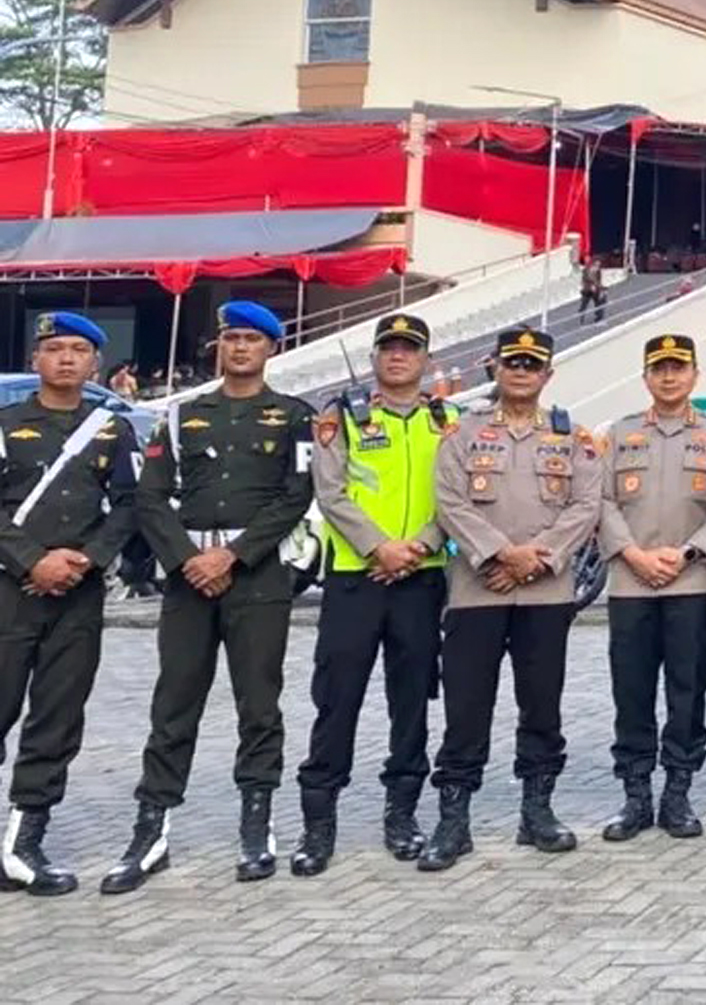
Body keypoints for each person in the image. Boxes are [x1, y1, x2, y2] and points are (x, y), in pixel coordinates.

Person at [102, 301, 315, 895]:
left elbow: (295, 494)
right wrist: (187, 560)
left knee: (259, 705)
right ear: (219, 346)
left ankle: (257, 825)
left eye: (252, 338)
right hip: (188, 576)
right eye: (231, 337)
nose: (240, 347)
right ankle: (151, 830)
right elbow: (150, 497)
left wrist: (234, 556)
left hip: (257, 577)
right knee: (173, 705)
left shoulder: (292, 416)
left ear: (271, 348)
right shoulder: (180, 416)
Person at [417, 326, 605, 872]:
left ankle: (537, 812)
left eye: (532, 364)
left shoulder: (573, 437)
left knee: (542, 705)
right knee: (466, 708)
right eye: (512, 363)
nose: (521, 372)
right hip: (477, 591)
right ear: (494, 368)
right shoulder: (462, 432)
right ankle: (454, 822)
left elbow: (585, 506)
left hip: (545, 593)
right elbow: (449, 502)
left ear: (548, 373)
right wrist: (501, 555)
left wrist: (534, 560)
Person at [291, 314, 450, 876]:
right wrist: (380, 547)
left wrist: (419, 545)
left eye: (409, 348)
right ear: (376, 357)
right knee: (338, 699)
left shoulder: (447, 420)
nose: (398, 356)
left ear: (426, 359)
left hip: (421, 577)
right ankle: (318, 824)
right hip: (356, 578)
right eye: (389, 348)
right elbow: (331, 493)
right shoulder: (342, 417)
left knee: (412, 701)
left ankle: (402, 813)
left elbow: (459, 495)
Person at [0, 314, 138, 895]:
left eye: (78, 349)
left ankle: (22, 846)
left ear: (95, 364)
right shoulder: (6, 424)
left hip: (77, 596)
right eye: (54, 348)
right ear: (35, 359)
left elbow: (130, 505)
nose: (65, 358)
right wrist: (32, 561)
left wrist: (85, 561)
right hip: (10, 591)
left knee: (57, 719)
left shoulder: (112, 429)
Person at [596, 334, 706, 844]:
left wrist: (690, 552)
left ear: (695, 374)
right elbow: (601, 501)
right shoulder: (619, 434)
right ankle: (636, 795)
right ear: (646, 377)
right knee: (631, 691)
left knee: (687, 689)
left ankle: (678, 792)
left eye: (678, 367)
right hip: (631, 582)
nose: (669, 376)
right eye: (660, 369)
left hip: (690, 580)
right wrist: (633, 554)